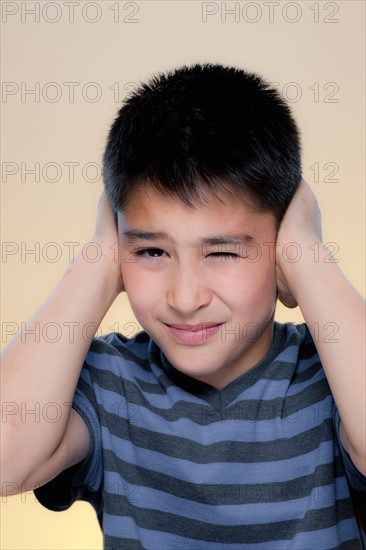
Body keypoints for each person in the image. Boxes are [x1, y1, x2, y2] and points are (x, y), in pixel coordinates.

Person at [1, 62, 365, 549]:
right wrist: (94, 262)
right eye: (152, 251)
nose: (185, 298)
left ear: (280, 253)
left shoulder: (334, 379)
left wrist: (307, 254)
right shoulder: (111, 385)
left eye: (223, 252)